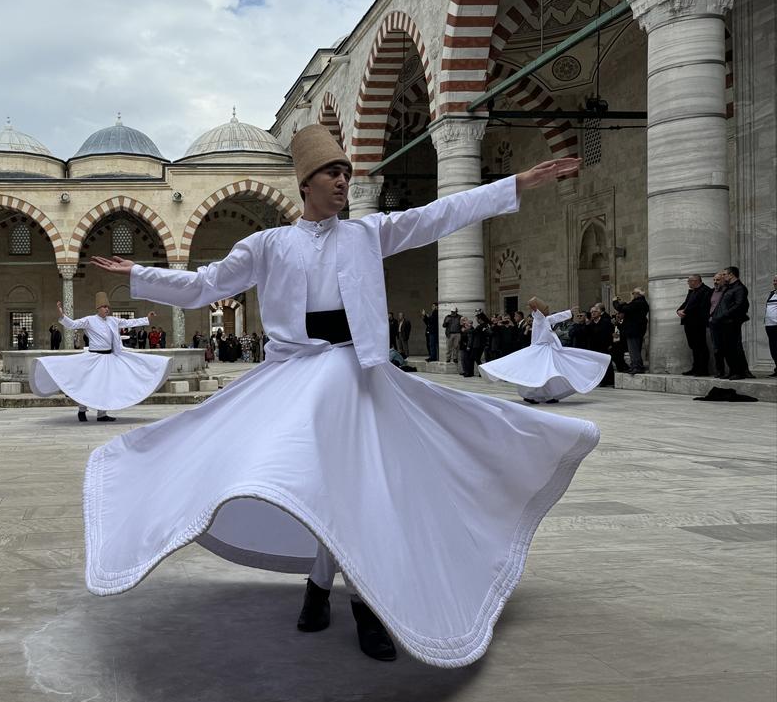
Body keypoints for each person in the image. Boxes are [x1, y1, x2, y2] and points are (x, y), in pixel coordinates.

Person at [82, 125, 595, 666]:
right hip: (298, 373)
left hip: (356, 372)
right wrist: (140, 272)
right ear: (306, 183)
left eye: (348, 173)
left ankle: (351, 599)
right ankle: (323, 587)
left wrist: (514, 184)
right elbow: (206, 284)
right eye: (333, 173)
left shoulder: (367, 234)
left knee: (359, 485)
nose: (344, 182)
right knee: (311, 480)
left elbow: (438, 216)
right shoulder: (268, 244)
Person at [30, 294, 170, 422]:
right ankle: (82, 410)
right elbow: (73, 325)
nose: (106, 309)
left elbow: (129, 323)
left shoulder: (113, 320)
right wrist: (61, 315)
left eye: (108, 307)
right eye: (104, 307)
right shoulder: (90, 320)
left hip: (108, 358)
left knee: (105, 386)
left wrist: (147, 319)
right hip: (93, 357)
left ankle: (102, 414)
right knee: (87, 385)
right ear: (98, 308)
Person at [480, 298, 611, 404]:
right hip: (541, 350)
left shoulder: (544, 319)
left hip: (546, 349)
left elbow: (555, 318)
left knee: (547, 373)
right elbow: (538, 310)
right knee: (542, 373)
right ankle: (536, 395)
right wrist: (535, 305)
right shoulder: (539, 317)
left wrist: (569, 312)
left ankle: (544, 395)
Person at [713, 266, 752, 380]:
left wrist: (724, 315)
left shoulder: (740, 288)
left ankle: (738, 372)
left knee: (733, 347)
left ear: (731, 275)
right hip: (723, 322)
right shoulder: (728, 288)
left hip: (732, 322)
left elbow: (740, 305)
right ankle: (732, 371)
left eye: (724, 274)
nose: (723, 276)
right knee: (726, 348)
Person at [677, 274, 714, 376]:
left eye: (689, 281)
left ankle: (703, 369)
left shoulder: (705, 290)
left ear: (695, 281)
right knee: (693, 346)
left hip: (698, 322)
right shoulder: (692, 291)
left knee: (700, 345)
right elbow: (686, 303)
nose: (688, 283)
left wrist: (685, 312)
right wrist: (679, 311)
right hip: (689, 322)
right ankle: (696, 367)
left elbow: (702, 307)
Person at [613, 288, 649, 374]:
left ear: (638, 294)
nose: (632, 295)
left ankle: (637, 367)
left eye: (633, 293)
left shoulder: (638, 302)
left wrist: (615, 301)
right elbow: (626, 307)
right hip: (636, 330)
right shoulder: (640, 303)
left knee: (634, 350)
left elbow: (621, 308)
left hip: (633, 330)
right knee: (635, 349)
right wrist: (623, 303)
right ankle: (635, 366)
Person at [766, 276, 777, 378]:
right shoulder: (772, 293)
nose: (774, 282)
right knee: (773, 349)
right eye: (774, 280)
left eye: (776, 280)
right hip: (769, 325)